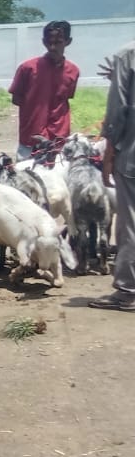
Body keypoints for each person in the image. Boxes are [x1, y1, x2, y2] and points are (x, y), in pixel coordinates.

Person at [91, 39, 135, 311]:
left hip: (131, 154)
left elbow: (117, 111)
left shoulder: (127, 55)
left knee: (129, 222)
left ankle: (128, 291)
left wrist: (109, 154)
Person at [10, 21, 80, 159]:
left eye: (58, 42)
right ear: (43, 42)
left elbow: (64, 100)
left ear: (68, 41)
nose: (52, 47)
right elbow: (16, 99)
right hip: (31, 139)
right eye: (49, 42)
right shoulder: (27, 68)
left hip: (59, 139)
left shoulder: (73, 71)